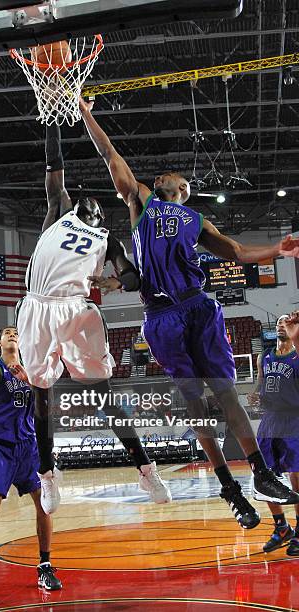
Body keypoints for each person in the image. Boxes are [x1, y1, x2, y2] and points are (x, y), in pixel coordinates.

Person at [79, 97, 299, 529]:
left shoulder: (197, 220)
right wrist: (86, 112)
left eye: (176, 177)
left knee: (227, 395)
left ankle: (259, 473)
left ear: (183, 190)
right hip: (160, 315)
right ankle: (229, 488)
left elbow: (236, 252)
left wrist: (276, 249)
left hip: (198, 307)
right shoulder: (140, 202)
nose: (166, 174)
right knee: (194, 405)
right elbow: (109, 154)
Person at [15, 123, 171, 514]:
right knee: (40, 397)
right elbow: (54, 164)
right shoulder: (58, 213)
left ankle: (145, 469)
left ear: (100, 216)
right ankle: (48, 474)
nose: (86, 204)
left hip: (76, 308)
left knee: (105, 397)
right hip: (36, 306)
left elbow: (134, 276)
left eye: (93, 207)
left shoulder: (108, 240)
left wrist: (114, 280)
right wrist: (51, 117)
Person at [0, 326, 62, 590]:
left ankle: (45, 566)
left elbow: (47, 408)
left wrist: (29, 382)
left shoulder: (32, 371)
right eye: (7, 332)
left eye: (16, 332)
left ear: (22, 341)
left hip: (28, 446)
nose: (12, 334)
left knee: (44, 504)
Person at [248, 315, 299, 554]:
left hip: (294, 418)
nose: (281, 324)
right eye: (278, 322)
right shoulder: (264, 356)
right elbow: (261, 383)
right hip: (270, 420)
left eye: (286, 322)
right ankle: (281, 527)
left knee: (296, 475)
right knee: (263, 476)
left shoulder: (297, 354)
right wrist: (256, 395)